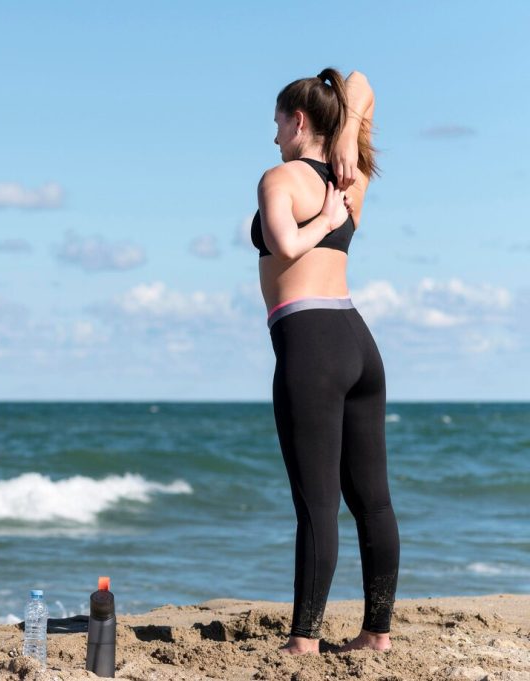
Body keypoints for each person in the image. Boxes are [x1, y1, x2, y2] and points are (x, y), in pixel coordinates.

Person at [251, 69, 399, 654]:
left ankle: (304, 641)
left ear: (299, 120)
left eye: (279, 124)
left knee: (317, 504)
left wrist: (322, 223)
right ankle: (376, 635)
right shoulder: (350, 177)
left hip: (310, 342)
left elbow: (285, 244)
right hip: (358, 342)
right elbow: (361, 83)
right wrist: (349, 134)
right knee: (373, 500)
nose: (275, 137)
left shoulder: (279, 178)